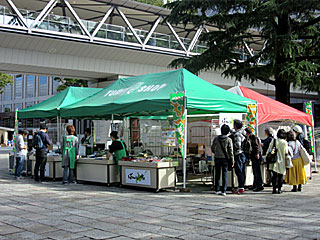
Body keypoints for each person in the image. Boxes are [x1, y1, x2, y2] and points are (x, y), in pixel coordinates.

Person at [211, 124, 234, 196]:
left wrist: (216, 152)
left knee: (217, 174)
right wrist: (232, 160)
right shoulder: (229, 140)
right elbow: (231, 151)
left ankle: (217, 189)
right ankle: (224, 190)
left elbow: (212, 148)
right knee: (225, 174)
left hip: (217, 157)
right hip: (225, 159)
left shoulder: (216, 139)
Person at [267, 129, 288, 194]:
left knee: (274, 176)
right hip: (281, 161)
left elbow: (269, 150)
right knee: (280, 176)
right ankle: (279, 189)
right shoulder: (284, 142)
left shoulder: (274, 141)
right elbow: (286, 152)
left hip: (274, 160)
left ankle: (274, 189)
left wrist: (271, 153)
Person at [244, 128, 264, 192]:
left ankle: (259, 185)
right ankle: (255, 185)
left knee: (257, 171)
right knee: (255, 171)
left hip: (256, 156)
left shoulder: (253, 137)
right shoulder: (251, 137)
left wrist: (257, 153)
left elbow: (256, 146)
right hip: (254, 156)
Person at [230, 119, 247, 194]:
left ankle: (240, 187)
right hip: (243, 154)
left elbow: (237, 145)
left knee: (239, 171)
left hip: (238, 154)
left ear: (236, 126)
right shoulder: (243, 132)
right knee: (242, 170)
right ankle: (242, 186)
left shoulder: (237, 135)